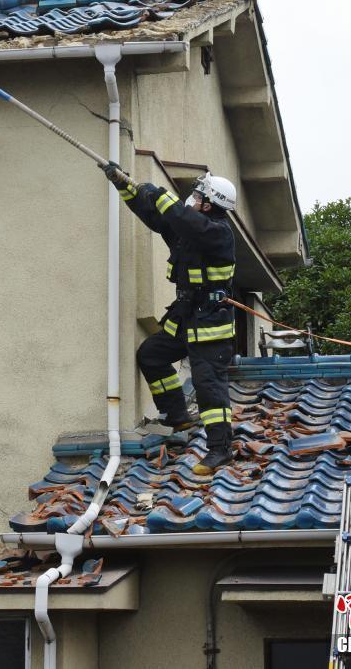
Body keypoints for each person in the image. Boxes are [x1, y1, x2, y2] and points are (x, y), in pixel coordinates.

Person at [103, 162, 237, 475]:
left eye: (196, 195)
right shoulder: (189, 227)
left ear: (208, 204)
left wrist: (158, 193)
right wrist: (125, 187)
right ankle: (178, 416)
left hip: (210, 326)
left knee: (209, 386)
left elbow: (178, 215)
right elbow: (156, 216)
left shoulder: (218, 233)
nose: (190, 199)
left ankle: (220, 450)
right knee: (152, 355)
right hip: (187, 316)